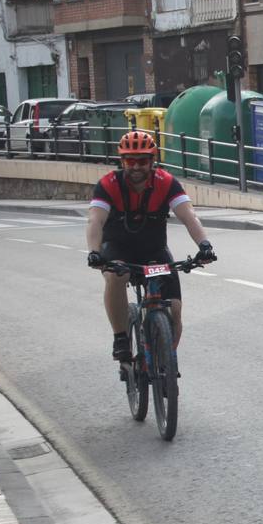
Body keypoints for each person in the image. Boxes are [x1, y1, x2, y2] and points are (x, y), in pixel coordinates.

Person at [86, 131, 216, 360]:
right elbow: (95, 220)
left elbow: (189, 216)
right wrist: (94, 252)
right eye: (130, 160)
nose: (136, 166)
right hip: (118, 247)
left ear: (152, 161)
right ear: (122, 161)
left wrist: (204, 245)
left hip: (154, 250)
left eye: (142, 161)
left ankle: (165, 363)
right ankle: (121, 338)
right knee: (115, 277)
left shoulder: (165, 182)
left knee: (174, 309)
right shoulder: (108, 184)